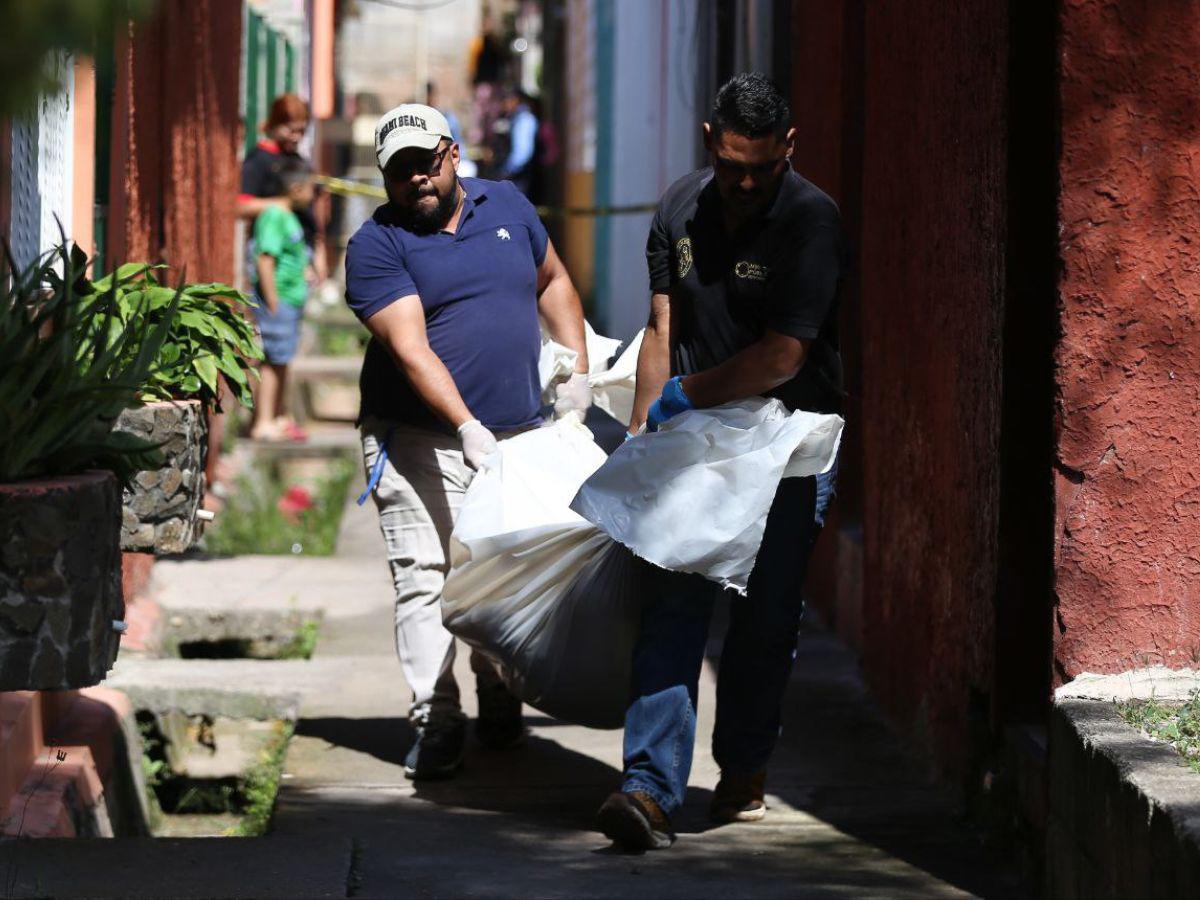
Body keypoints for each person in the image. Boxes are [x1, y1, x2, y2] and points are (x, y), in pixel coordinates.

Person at [597, 73, 845, 850]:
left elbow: (783, 354)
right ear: (710, 140)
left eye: (762, 169)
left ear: (789, 149)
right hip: (694, 443)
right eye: (733, 165)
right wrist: (645, 426)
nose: (745, 183)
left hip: (787, 443)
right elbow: (661, 324)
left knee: (764, 618)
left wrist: (685, 394)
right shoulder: (677, 207)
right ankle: (650, 788)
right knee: (673, 603)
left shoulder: (811, 221)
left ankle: (741, 772)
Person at [344, 104, 593, 779]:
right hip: (418, 439)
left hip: (519, 434)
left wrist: (577, 373)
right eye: (399, 171)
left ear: (453, 154)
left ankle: (499, 688)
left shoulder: (508, 204)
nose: (416, 180)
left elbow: (555, 281)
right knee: (426, 576)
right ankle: (437, 715)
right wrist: (467, 426)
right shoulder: (376, 245)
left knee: (503, 573)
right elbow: (411, 348)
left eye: (425, 163)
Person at [248, 159, 314, 441]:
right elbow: (265, 258)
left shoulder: (289, 217)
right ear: (297, 188)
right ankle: (263, 421)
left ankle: (276, 416)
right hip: (279, 302)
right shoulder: (274, 215)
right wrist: (272, 301)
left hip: (291, 300)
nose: (313, 195)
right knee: (273, 360)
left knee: (282, 359)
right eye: (311, 188)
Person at [496, 89, 539, 198]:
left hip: (518, 175)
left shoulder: (523, 119)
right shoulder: (517, 118)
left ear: (514, 100)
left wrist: (507, 171)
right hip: (516, 174)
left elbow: (522, 152)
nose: (503, 105)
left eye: (505, 101)